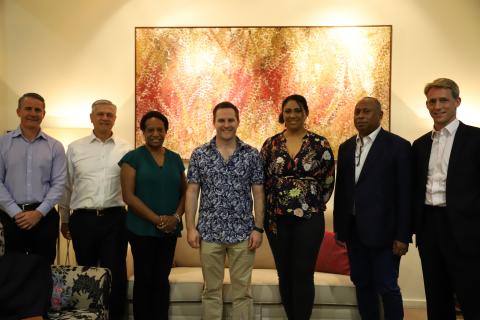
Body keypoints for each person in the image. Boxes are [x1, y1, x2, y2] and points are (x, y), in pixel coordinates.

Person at [333, 97, 412, 320]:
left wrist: (403, 235)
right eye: (357, 112)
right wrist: (341, 229)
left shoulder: (398, 146)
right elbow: (343, 191)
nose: (360, 116)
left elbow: (405, 195)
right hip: (355, 232)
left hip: (386, 234)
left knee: (387, 287)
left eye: (366, 112)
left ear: (380, 115)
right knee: (362, 284)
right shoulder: (346, 147)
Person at [185, 101, 265, 320]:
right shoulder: (200, 154)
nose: (226, 124)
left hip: (244, 233)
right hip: (209, 233)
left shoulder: (251, 154)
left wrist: (258, 228)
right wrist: (190, 228)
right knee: (211, 291)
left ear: (238, 121)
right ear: (214, 122)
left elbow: (258, 194)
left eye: (231, 120)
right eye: (221, 120)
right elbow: (192, 192)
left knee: (243, 292)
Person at [260, 94, 335, 320]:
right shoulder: (271, 144)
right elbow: (261, 181)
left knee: (303, 274)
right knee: (285, 274)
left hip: (309, 218)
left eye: (297, 110)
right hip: (276, 218)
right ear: (282, 114)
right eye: (288, 111)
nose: (292, 115)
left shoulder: (319, 144)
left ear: (305, 113)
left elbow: (328, 181)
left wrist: (309, 201)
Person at [412, 78, 480, 319]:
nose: (437, 106)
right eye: (432, 101)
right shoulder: (419, 145)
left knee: (472, 296)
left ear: (457, 102)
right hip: (429, 227)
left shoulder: (475, 139)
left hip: (466, 229)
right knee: (436, 296)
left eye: (443, 100)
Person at [59, 99, 131, 320]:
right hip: (83, 220)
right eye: (100, 114)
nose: (105, 118)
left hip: (115, 219)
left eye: (109, 114)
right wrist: (64, 219)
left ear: (115, 119)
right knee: (86, 275)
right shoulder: (74, 148)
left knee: (115, 275)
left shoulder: (126, 149)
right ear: (91, 117)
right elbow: (67, 186)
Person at [120, 111, 186, 320]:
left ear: (166, 131)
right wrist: (157, 220)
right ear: (143, 132)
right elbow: (128, 196)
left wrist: (175, 218)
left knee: (161, 279)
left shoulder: (175, 159)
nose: (155, 134)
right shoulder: (132, 158)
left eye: (160, 129)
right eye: (150, 130)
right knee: (144, 279)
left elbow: (185, 193)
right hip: (141, 230)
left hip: (169, 230)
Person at [0, 92, 66, 264]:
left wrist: (38, 213)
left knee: (43, 270)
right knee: (13, 270)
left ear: (43, 114)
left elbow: (59, 184)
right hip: (10, 217)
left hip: (44, 217)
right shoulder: (2, 143)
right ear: (18, 111)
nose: (33, 113)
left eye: (38, 110)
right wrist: (16, 213)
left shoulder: (55, 146)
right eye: (28, 108)